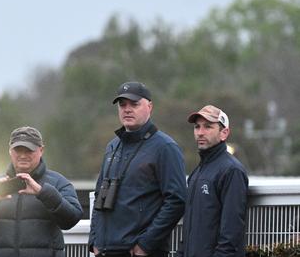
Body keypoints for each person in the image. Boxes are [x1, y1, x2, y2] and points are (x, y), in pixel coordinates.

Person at [89, 81, 186, 257]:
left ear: (150, 106)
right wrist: (94, 241)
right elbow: (98, 196)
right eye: (122, 104)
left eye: (134, 104)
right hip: (105, 251)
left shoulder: (165, 147)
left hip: (140, 252)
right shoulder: (112, 146)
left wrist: (146, 244)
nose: (127, 109)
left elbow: (177, 200)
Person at [0, 126, 83, 257]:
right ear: (10, 151)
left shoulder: (58, 182)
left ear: (41, 150)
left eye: (29, 150)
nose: (23, 155)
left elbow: (72, 219)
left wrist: (43, 193)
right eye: (18, 150)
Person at [177, 105, 249, 257]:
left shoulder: (232, 171)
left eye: (208, 127)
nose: (200, 133)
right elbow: (189, 228)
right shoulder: (197, 172)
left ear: (224, 133)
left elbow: (231, 232)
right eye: (197, 127)